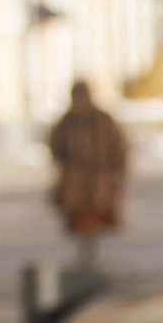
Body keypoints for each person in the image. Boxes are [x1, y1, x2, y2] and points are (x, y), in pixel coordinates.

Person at [46, 80, 127, 268]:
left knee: (95, 216)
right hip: (76, 180)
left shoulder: (102, 119)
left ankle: (91, 248)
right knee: (80, 218)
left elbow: (118, 145)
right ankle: (85, 249)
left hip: (99, 178)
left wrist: (117, 169)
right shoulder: (67, 121)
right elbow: (56, 145)